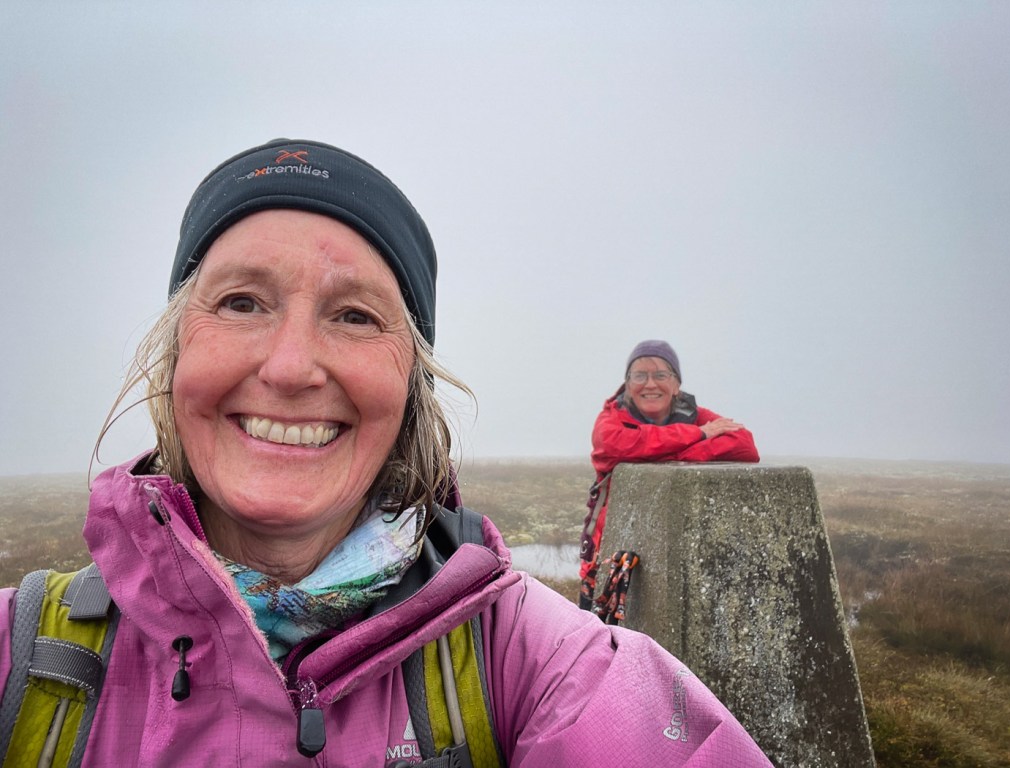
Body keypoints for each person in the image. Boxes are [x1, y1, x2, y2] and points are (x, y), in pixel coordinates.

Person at [0, 140, 772, 766]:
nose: (290, 367)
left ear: (411, 386)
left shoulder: (537, 666)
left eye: (355, 316)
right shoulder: (22, 655)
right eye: (241, 302)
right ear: (175, 354)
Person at [579, 340, 760, 610]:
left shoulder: (694, 414)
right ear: (627, 384)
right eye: (640, 375)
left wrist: (662, 454)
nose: (650, 384)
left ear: (676, 385)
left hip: (672, 554)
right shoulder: (612, 418)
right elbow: (613, 444)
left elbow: (744, 444)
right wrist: (697, 435)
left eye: (661, 375)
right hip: (608, 559)